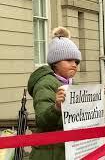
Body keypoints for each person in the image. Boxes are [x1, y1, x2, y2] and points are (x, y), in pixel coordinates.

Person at [27, 27, 81, 160]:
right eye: (69, 60)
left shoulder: (73, 85)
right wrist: (56, 107)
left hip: (67, 151)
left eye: (76, 61)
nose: (74, 64)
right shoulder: (45, 84)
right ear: (55, 63)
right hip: (50, 153)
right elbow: (42, 121)